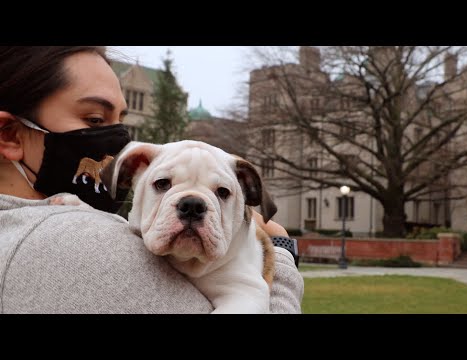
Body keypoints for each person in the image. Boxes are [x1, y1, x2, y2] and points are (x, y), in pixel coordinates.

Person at [0, 46, 304, 314]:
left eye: (120, 121)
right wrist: (280, 253)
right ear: (9, 134)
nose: (114, 139)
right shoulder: (83, 251)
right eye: (94, 120)